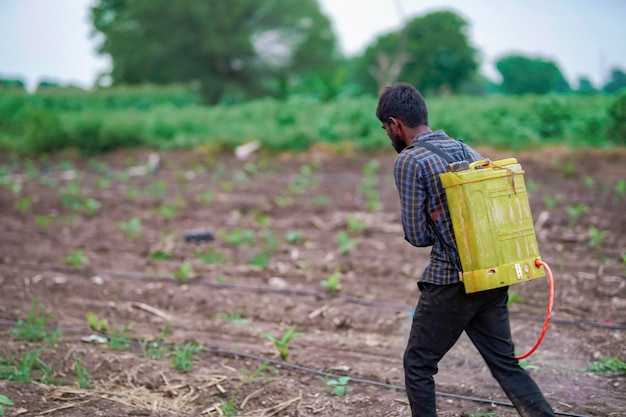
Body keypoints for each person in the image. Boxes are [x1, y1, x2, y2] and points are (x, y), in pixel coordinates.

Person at [376, 82, 555, 417]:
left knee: (418, 365)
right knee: (506, 365)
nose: (388, 135)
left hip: (451, 281)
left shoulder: (411, 161)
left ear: (395, 123)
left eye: (386, 128)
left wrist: (435, 220)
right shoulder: (463, 149)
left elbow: (417, 236)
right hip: (492, 275)